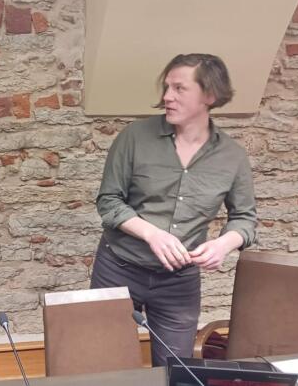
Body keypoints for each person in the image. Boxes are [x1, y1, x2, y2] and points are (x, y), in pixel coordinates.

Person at [90, 53, 257, 366]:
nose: (167, 96)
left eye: (179, 88)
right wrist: (152, 234)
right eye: (166, 87)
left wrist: (223, 244)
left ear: (210, 95)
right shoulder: (133, 137)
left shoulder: (233, 156)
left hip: (179, 282)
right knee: (104, 363)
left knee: (177, 370)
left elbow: (245, 219)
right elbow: (109, 201)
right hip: (118, 269)